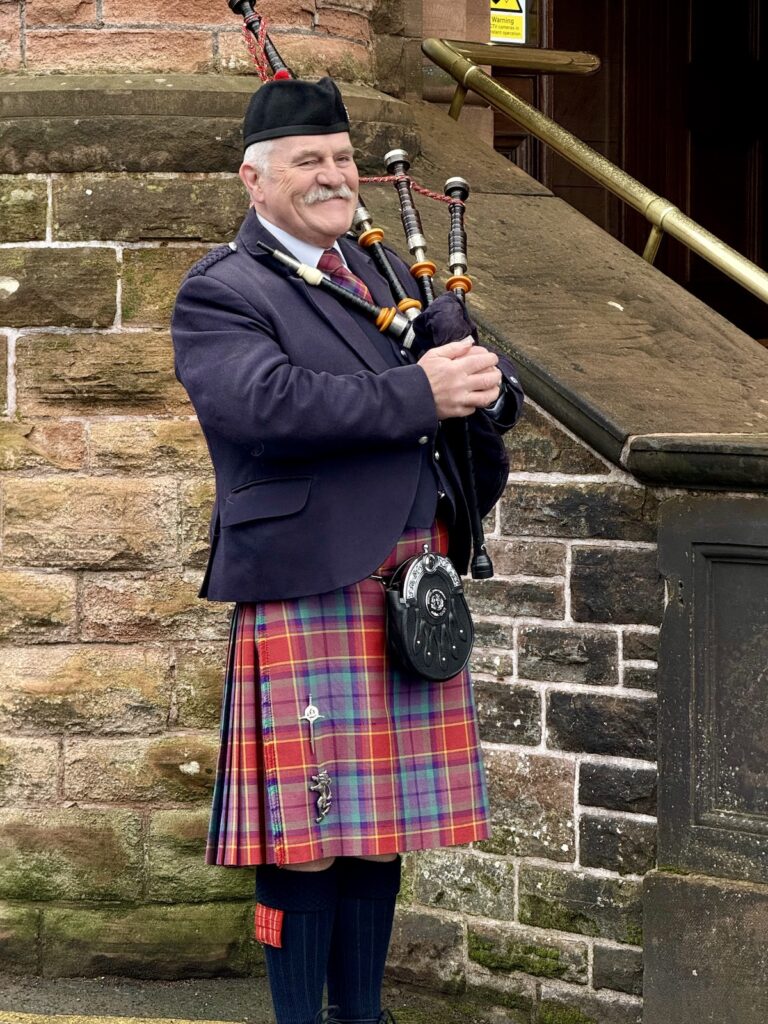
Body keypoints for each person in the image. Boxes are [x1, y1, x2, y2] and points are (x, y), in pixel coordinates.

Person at [171, 75, 524, 1024]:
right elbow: (267, 405)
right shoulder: (224, 289)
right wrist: (421, 393)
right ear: (254, 180)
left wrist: (486, 395)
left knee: (379, 831)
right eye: (307, 163)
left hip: (410, 578)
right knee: (306, 837)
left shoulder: (386, 278)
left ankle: (362, 1016)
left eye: (341, 160)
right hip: (309, 579)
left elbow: (452, 411)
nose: (332, 177)